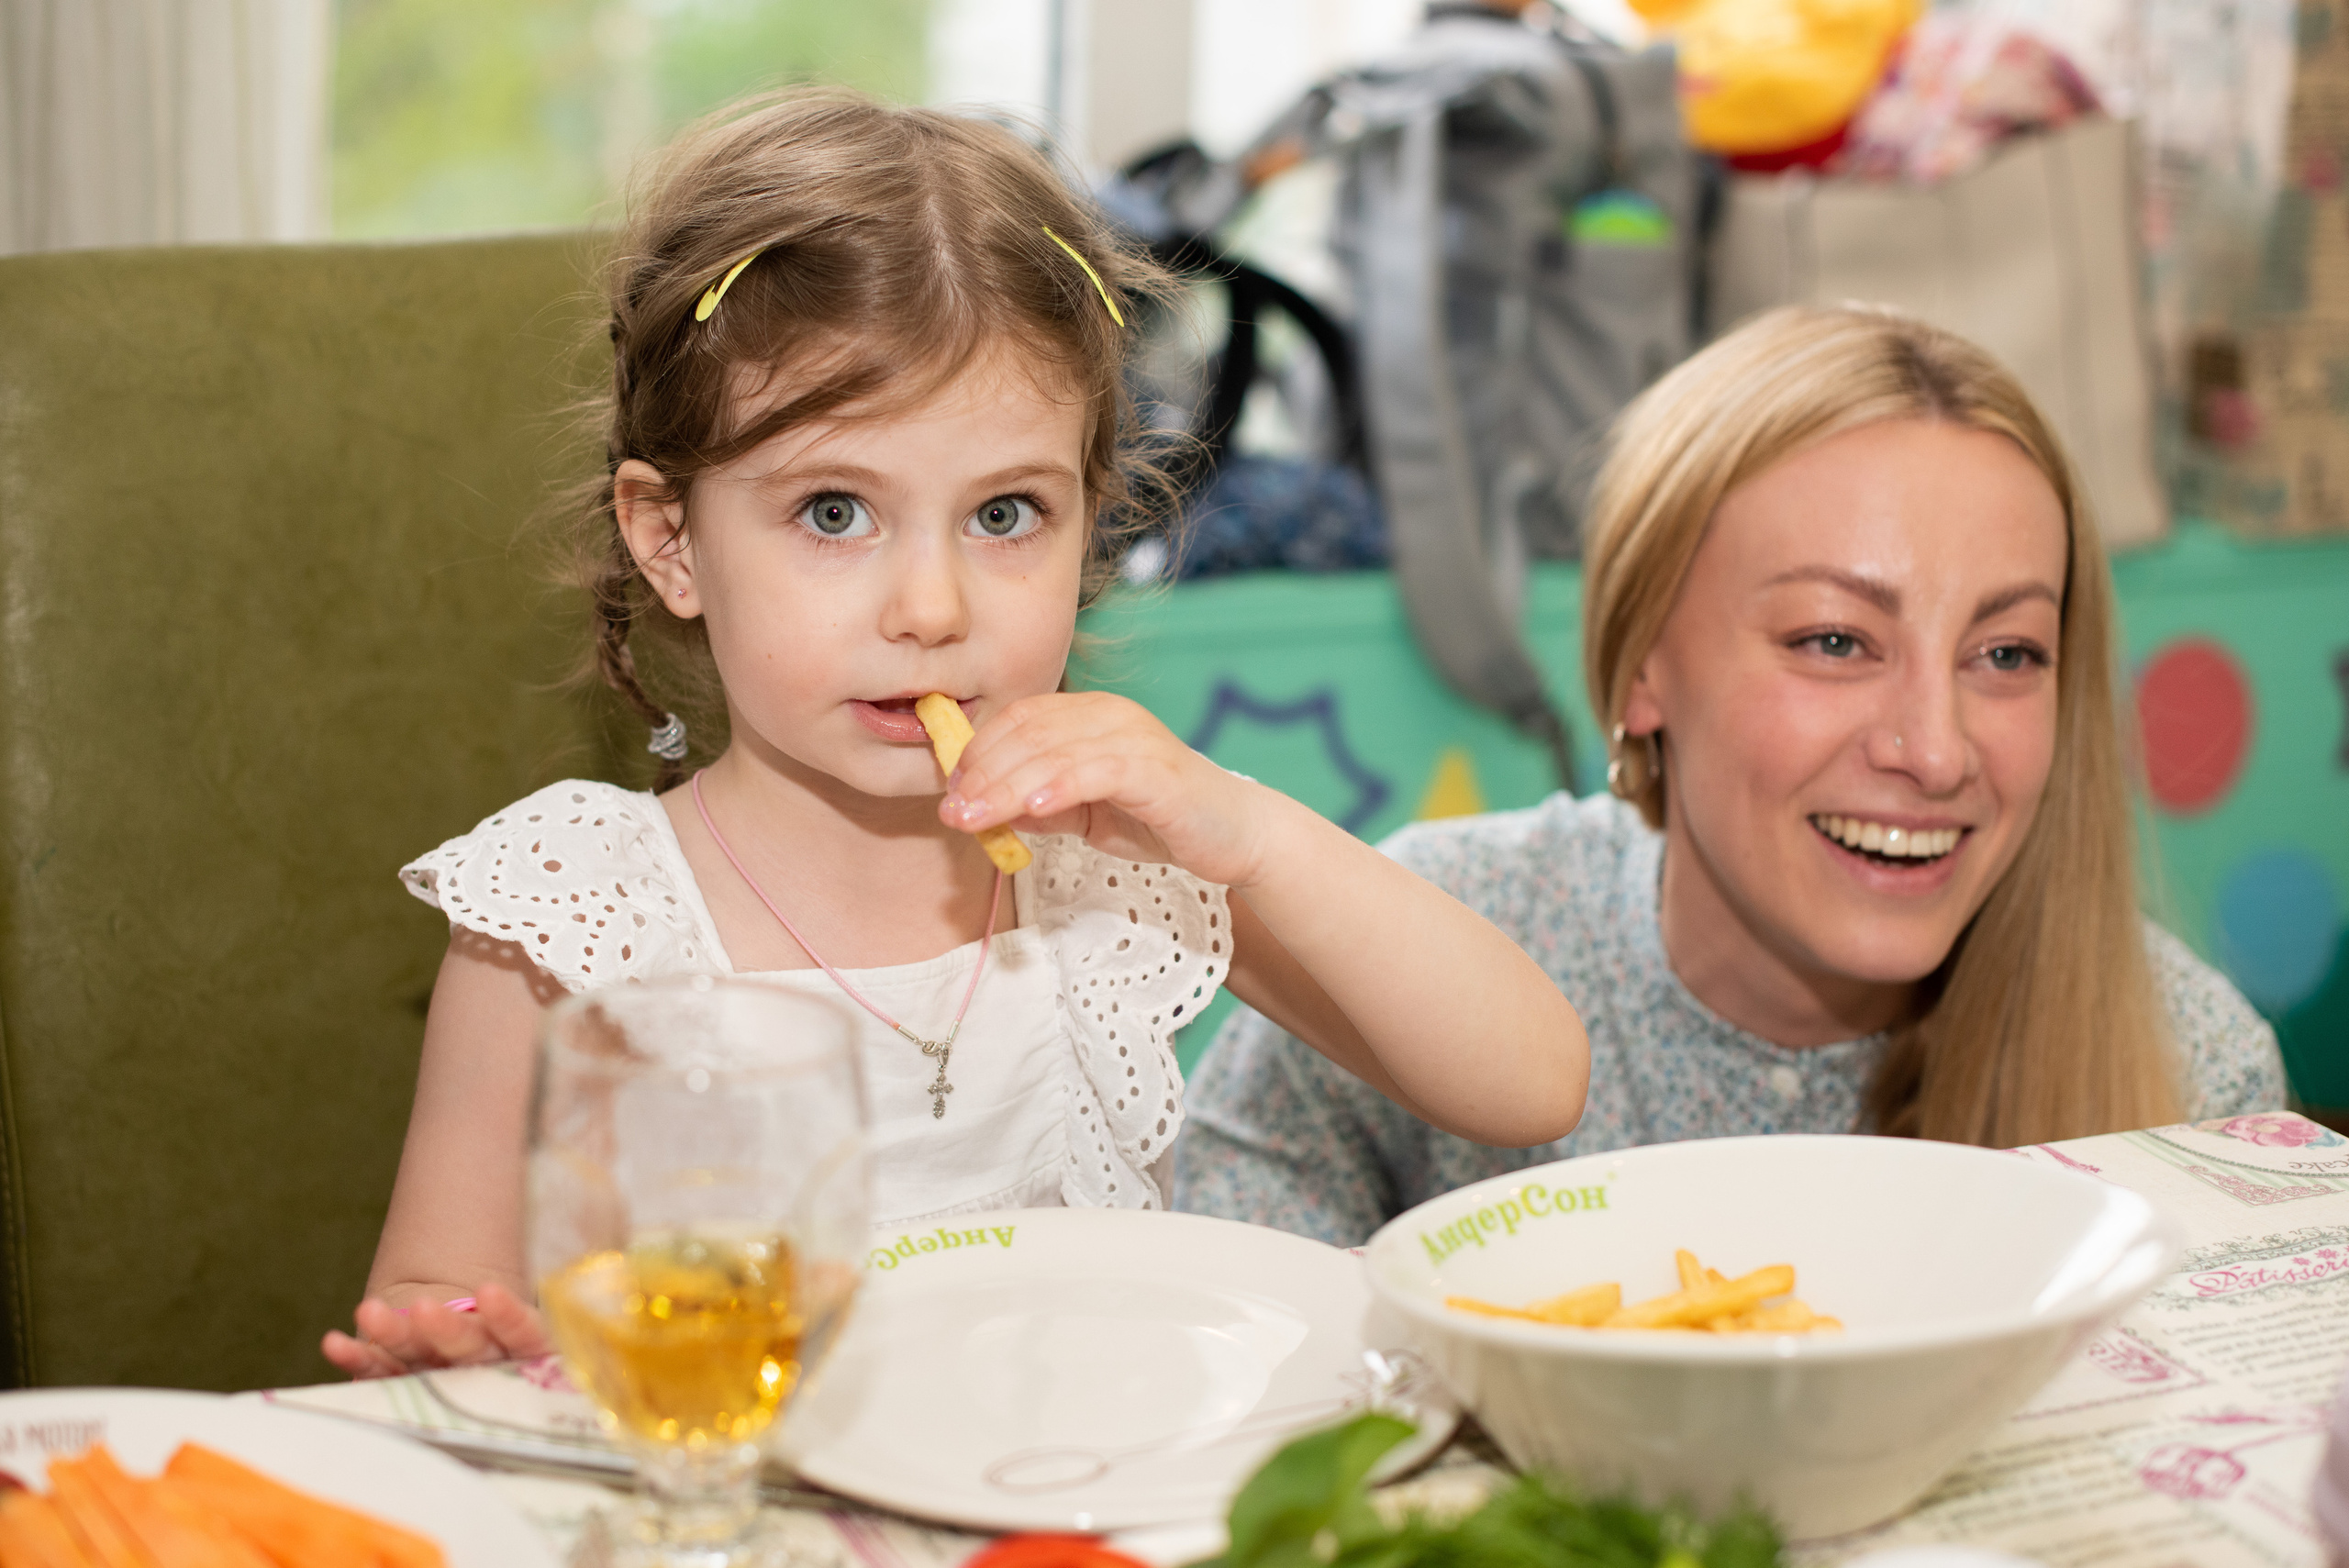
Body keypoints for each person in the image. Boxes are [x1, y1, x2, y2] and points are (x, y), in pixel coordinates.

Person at [321, 92, 1589, 1378]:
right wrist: (455, 1339)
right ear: (672, 541)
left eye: (1003, 517)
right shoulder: (567, 917)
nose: (930, 609)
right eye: (832, 512)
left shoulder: (1125, 873)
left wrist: (1251, 833)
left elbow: (1530, 1083)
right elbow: (440, 1290)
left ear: (1091, 528)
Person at [1177, 305, 2287, 1245]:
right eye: (1835, 641)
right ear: (1645, 665)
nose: (1936, 750)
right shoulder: (1400, 958)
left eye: (2005, 654)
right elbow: (1236, 1374)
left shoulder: (2190, 1075)